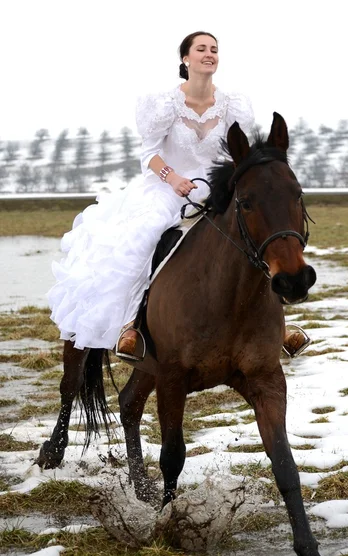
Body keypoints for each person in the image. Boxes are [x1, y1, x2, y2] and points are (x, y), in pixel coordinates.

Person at [48, 31, 309, 359]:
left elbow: (237, 154)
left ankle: (279, 327)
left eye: (214, 49)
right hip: (167, 188)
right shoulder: (163, 104)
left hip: (215, 190)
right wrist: (172, 178)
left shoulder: (233, 104)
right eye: (201, 49)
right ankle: (132, 326)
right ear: (186, 59)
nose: (209, 54)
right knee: (145, 237)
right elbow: (149, 154)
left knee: (255, 235)